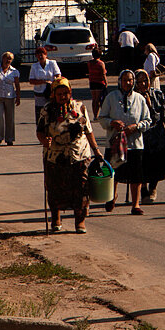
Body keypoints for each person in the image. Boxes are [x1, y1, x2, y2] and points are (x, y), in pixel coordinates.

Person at [36, 76, 103, 234]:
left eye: (66, 93)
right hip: (55, 156)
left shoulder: (79, 107)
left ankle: (80, 221)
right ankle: (56, 218)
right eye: (59, 93)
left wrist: (96, 150)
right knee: (54, 188)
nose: (63, 96)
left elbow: (88, 131)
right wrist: (45, 141)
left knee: (81, 187)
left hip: (78, 154)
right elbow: (39, 131)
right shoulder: (47, 110)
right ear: (53, 94)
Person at [98, 69, 150, 214]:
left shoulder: (140, 99)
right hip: (115, 143)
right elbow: (102, 118)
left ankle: (135, 205)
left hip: (135, 144)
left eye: (130, 80)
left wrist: (136, 126)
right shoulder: (111, 97)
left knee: (136, 175)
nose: (128, 83)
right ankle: (111, 197)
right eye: (125, 80)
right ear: (120, 81)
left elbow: (148, 120)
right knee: (112, 172)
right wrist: (112, 122)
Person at [134, 68, 165, 203]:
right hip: (141, 136)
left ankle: (153, 187)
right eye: (139, 82)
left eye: (145, 81)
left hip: (157, 134)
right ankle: (144, 189)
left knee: (157, 162)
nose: (143, 84)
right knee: (142, 163)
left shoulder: (157, 94)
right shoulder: (133, 97)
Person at [0, 52, 21, 145]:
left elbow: (17, 85)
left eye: (10, 59)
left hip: (9, 97)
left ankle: (9, 138)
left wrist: (18, 97)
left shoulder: (14, 71)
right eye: (6, 58)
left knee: (10, 118)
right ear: (2, 59)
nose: (8, 60)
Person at [28, 46, 61, 126]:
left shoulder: (52, 63)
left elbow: (58, 75)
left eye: (42, 54)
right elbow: (31, 80)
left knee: (52, 112)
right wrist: (43, 81)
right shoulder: (34, 66)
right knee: (40, 113)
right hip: (39, 93)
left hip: (51, 92)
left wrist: (54, 83)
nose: (40, 56)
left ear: (46, 55)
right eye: (38, 55)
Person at [87, 47, 108, 119]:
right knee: (98, 100)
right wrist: (106, 82)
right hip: (99, 82)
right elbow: (103, 74)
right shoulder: (101, 63)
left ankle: (95, 115)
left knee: (94, 99)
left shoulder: (89, 63)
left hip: (92, 82)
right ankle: (99, 114)